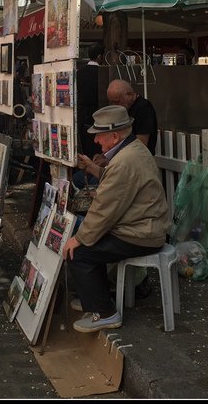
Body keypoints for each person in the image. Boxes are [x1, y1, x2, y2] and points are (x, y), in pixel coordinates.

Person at [64, 105, 170, 333]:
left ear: (114, 136)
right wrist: (94, 168)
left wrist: (79, 239)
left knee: (79, 253)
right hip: (142, 225)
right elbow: (118, 184)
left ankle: (105, 313)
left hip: (141, 233)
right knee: (89, 241)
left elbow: (105, 209)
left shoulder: (125, 160)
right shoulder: (132, 150)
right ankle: (94, 299)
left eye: (99, 136)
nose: (96, 141)